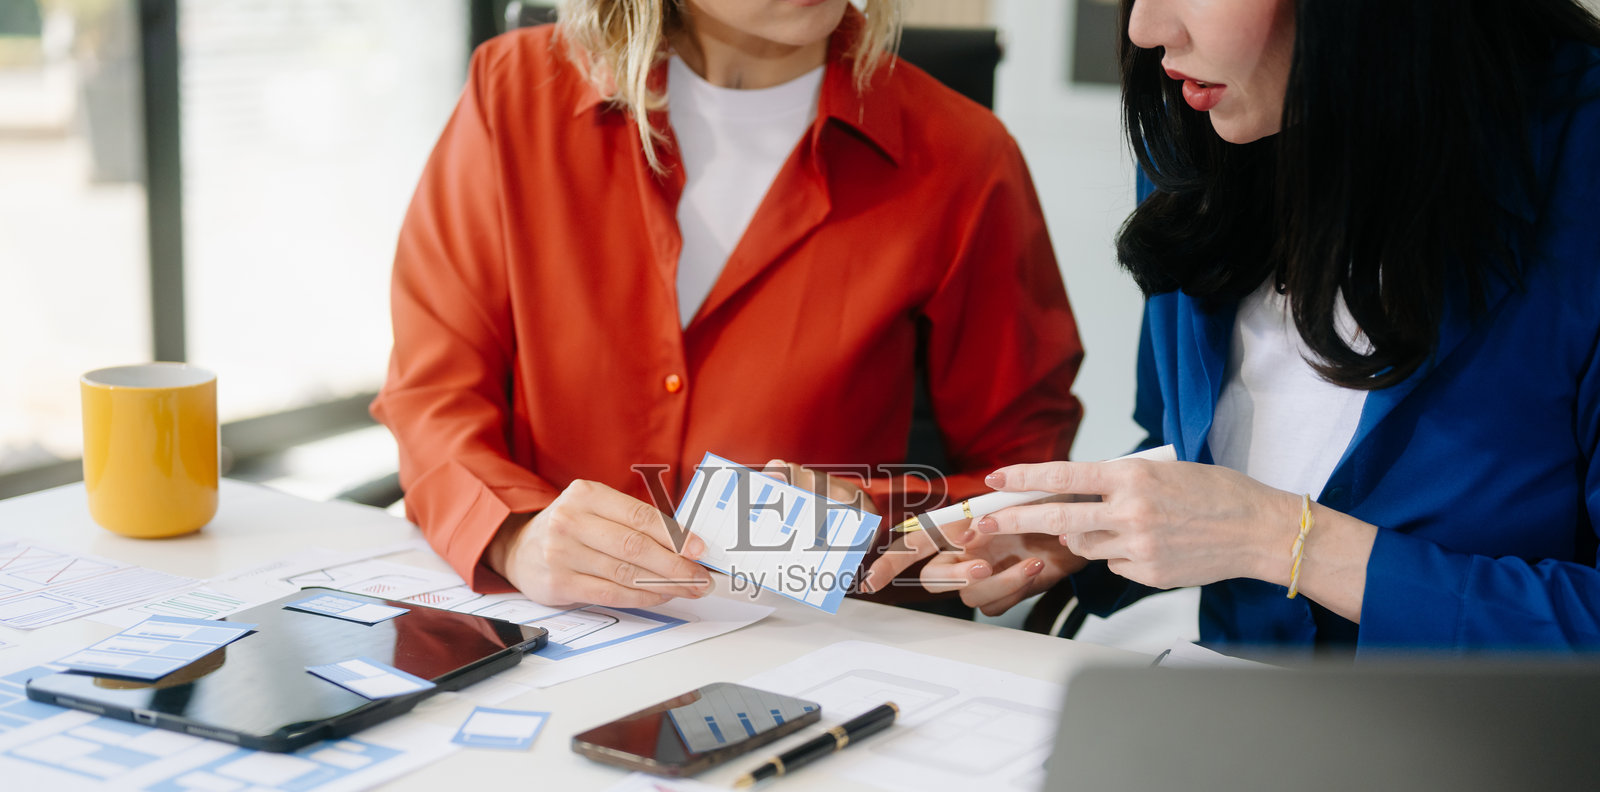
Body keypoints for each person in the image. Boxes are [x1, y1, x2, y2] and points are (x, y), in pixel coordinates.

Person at [865, 0, 1600, 653]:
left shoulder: (1578, 159)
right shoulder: (1202, 128)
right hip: (1239, 728)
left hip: (1504, 769)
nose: (1145, 29)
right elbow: (1193, 454)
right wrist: (1083, 529)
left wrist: (1283, 539)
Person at [371, 0, 1084, 610]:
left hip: (815, 647)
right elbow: (433, 395)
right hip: (554, 628)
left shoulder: (963, 155)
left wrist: (884, 524)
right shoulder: (512, 94)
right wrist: (515, 535)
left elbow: (1021, 472)